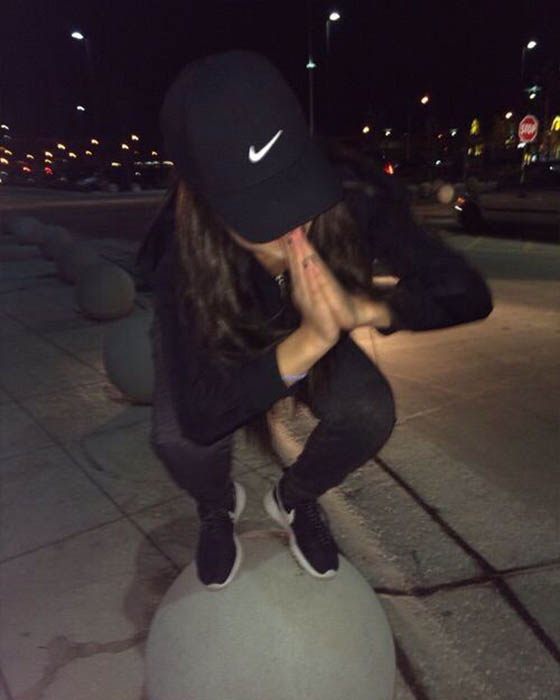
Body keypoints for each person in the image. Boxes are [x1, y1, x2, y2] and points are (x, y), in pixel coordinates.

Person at [137, 50, 492, 591]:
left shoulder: (352, 190)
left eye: (295, 187)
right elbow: (202, 416)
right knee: (178, 439)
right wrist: (309, 341)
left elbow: (467, 293)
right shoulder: (177, 254)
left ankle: (295, 498)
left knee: (368, 411)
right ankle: (216, 506)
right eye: (260, 211)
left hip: (303, 328)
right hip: (223, 334)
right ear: (205, 202)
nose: (293, 228)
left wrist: (366, 309)